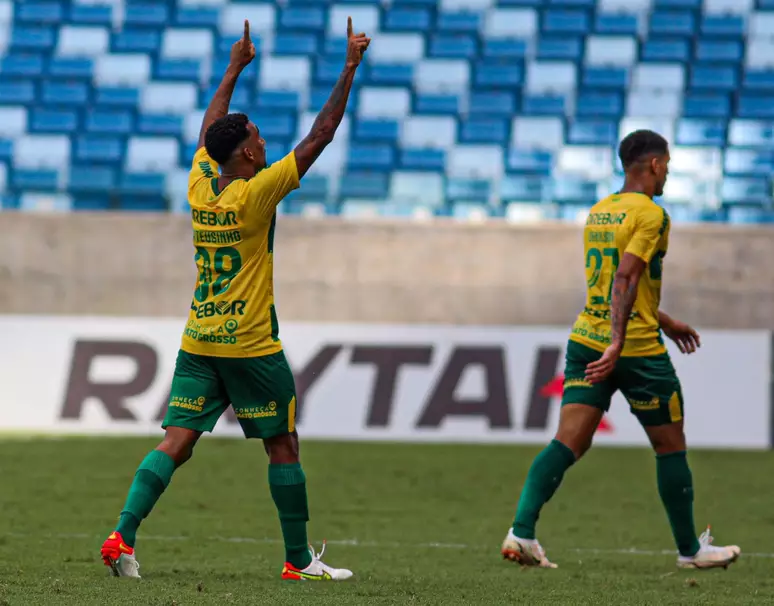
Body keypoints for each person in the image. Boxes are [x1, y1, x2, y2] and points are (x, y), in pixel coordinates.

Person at [100, 17, 370, 581]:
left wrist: (233, 68)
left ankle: (122, 535)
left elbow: (206, 134)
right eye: (257, 140)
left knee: (176, 441)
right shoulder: (255, 194)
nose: (264, 143)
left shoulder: (202, 184)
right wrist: (348, 68)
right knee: (283, 445)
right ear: (245, 156)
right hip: (249, 345)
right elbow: (319, 135)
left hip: (200, 339)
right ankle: (297, 561)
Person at [500, 130, 741, 570]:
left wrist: (664, 320)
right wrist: (619, 342)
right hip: (634, 350)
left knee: (567, 441)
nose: (666, 172)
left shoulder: (600, 211)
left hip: (585, 340)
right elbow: (626, 278)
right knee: (670, 447)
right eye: (665, 165)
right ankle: (690, 550)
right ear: (653, 165)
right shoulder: (652, 214)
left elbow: (612, 282)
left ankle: (522, 531)